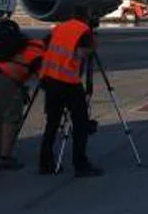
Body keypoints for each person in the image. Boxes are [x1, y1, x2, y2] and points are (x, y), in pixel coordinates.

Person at [38, 11, 102, 177]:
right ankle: (80, 164)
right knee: (80, 124)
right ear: (87, 19)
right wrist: (93, 46)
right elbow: (81, 53)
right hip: (68, 82)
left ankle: (45, 163)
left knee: (52, 122)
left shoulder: (60, 27)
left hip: (50, 78)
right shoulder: (83, 30)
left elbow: (46, 44)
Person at [0, 21, 46, 170]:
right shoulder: (36, 50)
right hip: (8, 81)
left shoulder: (1, 46)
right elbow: (42, 75)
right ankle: (5, 157)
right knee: (10, 121)